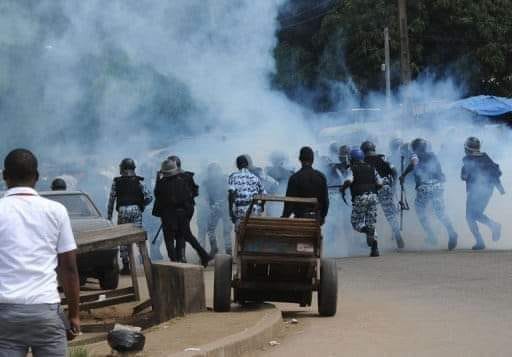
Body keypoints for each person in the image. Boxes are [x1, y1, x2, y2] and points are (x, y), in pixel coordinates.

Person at [0, 149, 80, 356]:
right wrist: (74, 315)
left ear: (4, 176)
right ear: (36, 176)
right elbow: (69, 269)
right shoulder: (56, 211)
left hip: (4, 315)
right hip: (45, 311)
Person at [400, 138, 458, 250]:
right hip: (438, 186)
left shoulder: (415, 154)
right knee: (440, 212)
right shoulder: (433, 155)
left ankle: (431, 235)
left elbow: (414, 162)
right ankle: (452, 232)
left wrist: (404, 174)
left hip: (424, 187)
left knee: (420, 211)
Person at [154, 158, 211, 266]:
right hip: (183, 213)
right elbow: (191, 194)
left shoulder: (162, 183)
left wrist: (157, 179)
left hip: (168, 215)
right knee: (187, 236)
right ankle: (203, 255)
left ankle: (175, 262)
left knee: (169, 239)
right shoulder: (183, 179)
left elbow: (157, 195)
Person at [107, 158, 153, 275]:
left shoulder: (116, 182)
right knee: (138, 237)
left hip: (122, 211)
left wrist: (109, 216)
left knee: (123, 238)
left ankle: (126, 265)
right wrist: (141, 206)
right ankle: (145, 260)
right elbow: (149, 197)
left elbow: (111, 200)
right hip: (136, 210)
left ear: (123, 168)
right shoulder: (139, 181)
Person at [461, 137, 504, 250]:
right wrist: (500, 187)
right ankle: (493, 226)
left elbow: (464, 176)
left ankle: (480, 240)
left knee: (470, 216)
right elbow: (495, 172)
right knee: (475, 214)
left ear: (467, 148)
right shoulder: (486, 157)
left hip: (475, 190)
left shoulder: (467, 159)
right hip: (487, 190)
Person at [361, 141, 404, 249]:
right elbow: (394, 172)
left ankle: (371, 238)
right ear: (373, 148)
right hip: (385, 187)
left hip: (371, 189)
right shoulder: (382, 158)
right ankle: (397, 234)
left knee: (369, 214)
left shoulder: (362, 161)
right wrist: (394, 186)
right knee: (390, 213)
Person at [340, 148, 382, 257]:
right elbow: (380, 183)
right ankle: (375, 248)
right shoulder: (372, 168)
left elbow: (349, 181)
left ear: (352, 159)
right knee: (371, 223)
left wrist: (343, 189)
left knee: (356, 223)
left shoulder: (352, 169)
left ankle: (368, 231)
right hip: (373, 197)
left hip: (360, 197)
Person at [282, 147, 329, 224]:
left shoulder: (295, 178)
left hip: (299, 220)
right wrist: (322, 217)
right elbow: (325, 201)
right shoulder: (321, 176)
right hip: (316, 220)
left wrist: (284, 218)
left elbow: (289, 204)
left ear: (300, 159)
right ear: (313, 160)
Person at [228, 155, 265, 243]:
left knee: (240, 235)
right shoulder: (255, 177)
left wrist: (230, 211)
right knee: (253, 234)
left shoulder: (233, 177)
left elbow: (231, 195)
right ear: (247, 165)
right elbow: (264, 194)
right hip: (255, 210)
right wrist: (262, 206)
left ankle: (240, 253)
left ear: (237, 165)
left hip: (240, 211)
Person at [202, 163, 231, 256]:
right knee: (222, 230)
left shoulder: (208, 182)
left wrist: (216, 204)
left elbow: (207, 197)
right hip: (223, 207)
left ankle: (222, 249)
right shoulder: (224, 179)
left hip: (221, 207)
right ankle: (225, 250)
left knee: (220, 229)